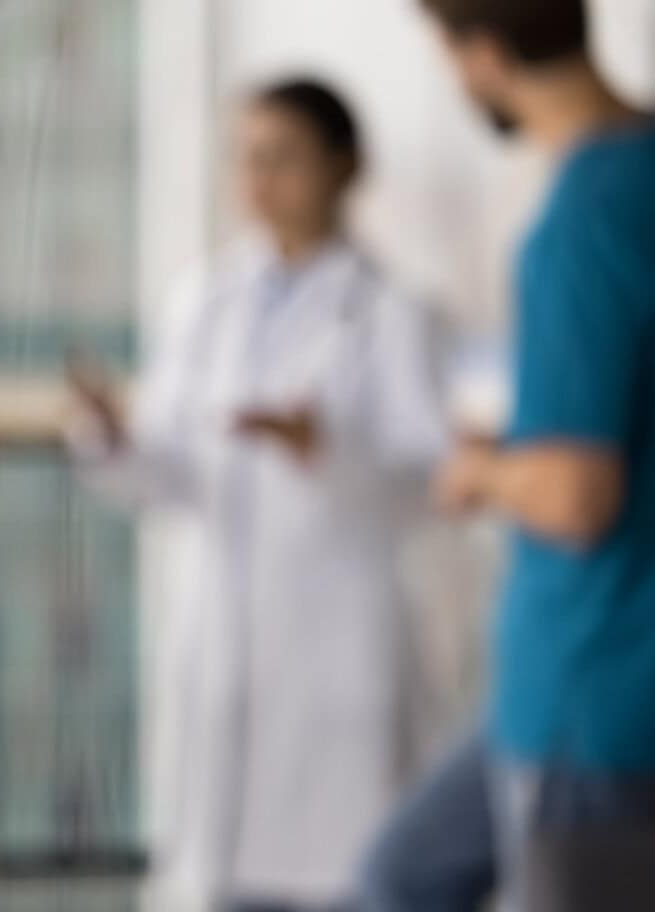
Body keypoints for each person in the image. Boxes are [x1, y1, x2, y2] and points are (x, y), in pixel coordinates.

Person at [67, 79, 451, 912]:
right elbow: (174, 478)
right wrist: (113, 437)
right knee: (227, 881)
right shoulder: (204, 302)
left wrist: (324, 450)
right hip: (223, 647)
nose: (257, 181)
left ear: (342, 167)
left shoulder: (391, 312)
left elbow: (429, 486)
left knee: (345, 879)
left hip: (337, 653)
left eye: (280, 159)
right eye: (244, 159)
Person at [358, 0, 655, 911]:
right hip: (589, 686)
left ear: (481, 54)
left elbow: (573, 494)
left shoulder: (581, 218)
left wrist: (482, 474)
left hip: (593, 692)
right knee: (397, 876)